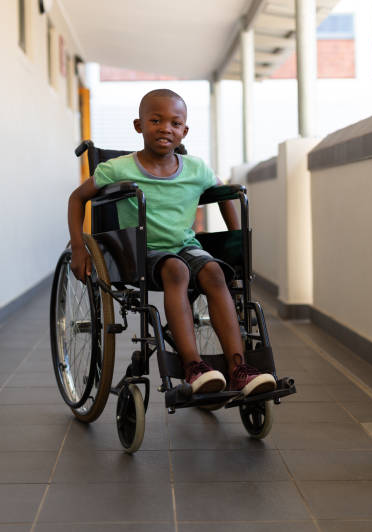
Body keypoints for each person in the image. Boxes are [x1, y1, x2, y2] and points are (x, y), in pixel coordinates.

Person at [68, 89, 276, 397]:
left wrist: (237, 245)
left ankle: (238, 368)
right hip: (141, 251)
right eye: (156, 120)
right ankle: (193, 366)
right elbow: (77, 198)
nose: (166, 127)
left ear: (184, 131)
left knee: (215, 273)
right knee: (177, 270)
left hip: (184, 245)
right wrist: (77, 247)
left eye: (175, 123)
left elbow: (225, 195)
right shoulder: (117, 168)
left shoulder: (196, 169)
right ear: (139, 126)